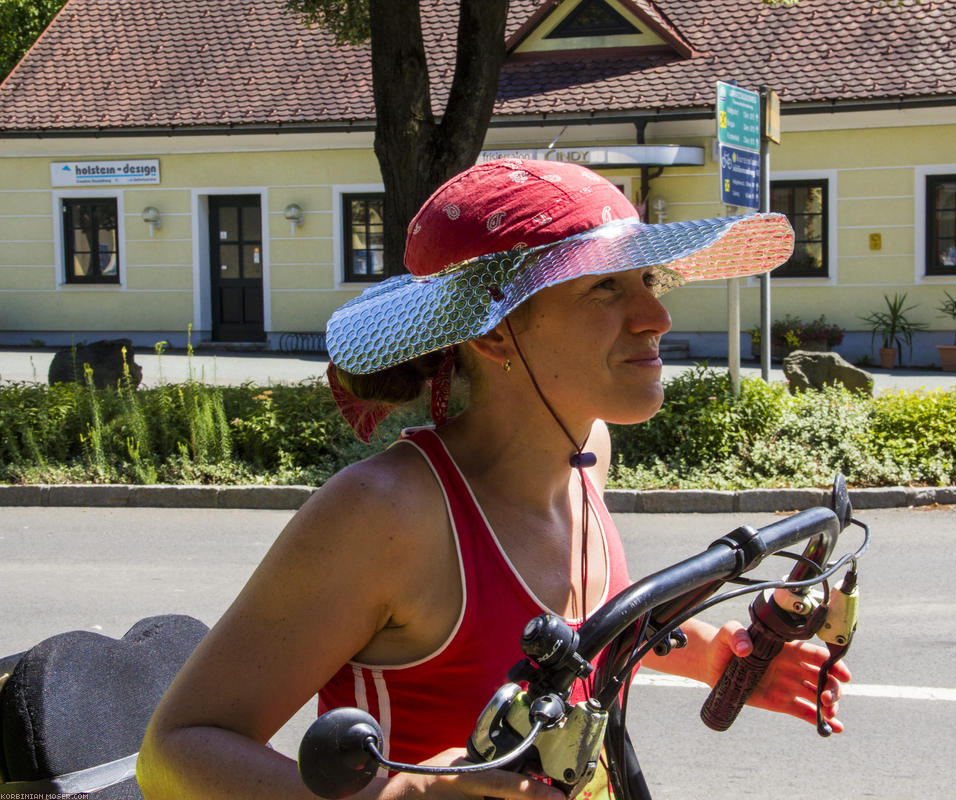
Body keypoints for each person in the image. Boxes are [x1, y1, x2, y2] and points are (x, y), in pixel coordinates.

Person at [138, 159, 852, 800]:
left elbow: (563, 645)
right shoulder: (388, 512)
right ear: (492, 330)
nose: (657, 316)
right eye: (605, 287)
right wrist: (402, 798)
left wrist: (708, 654)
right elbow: (174, 754)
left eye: (648, 278)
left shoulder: (587, 456)